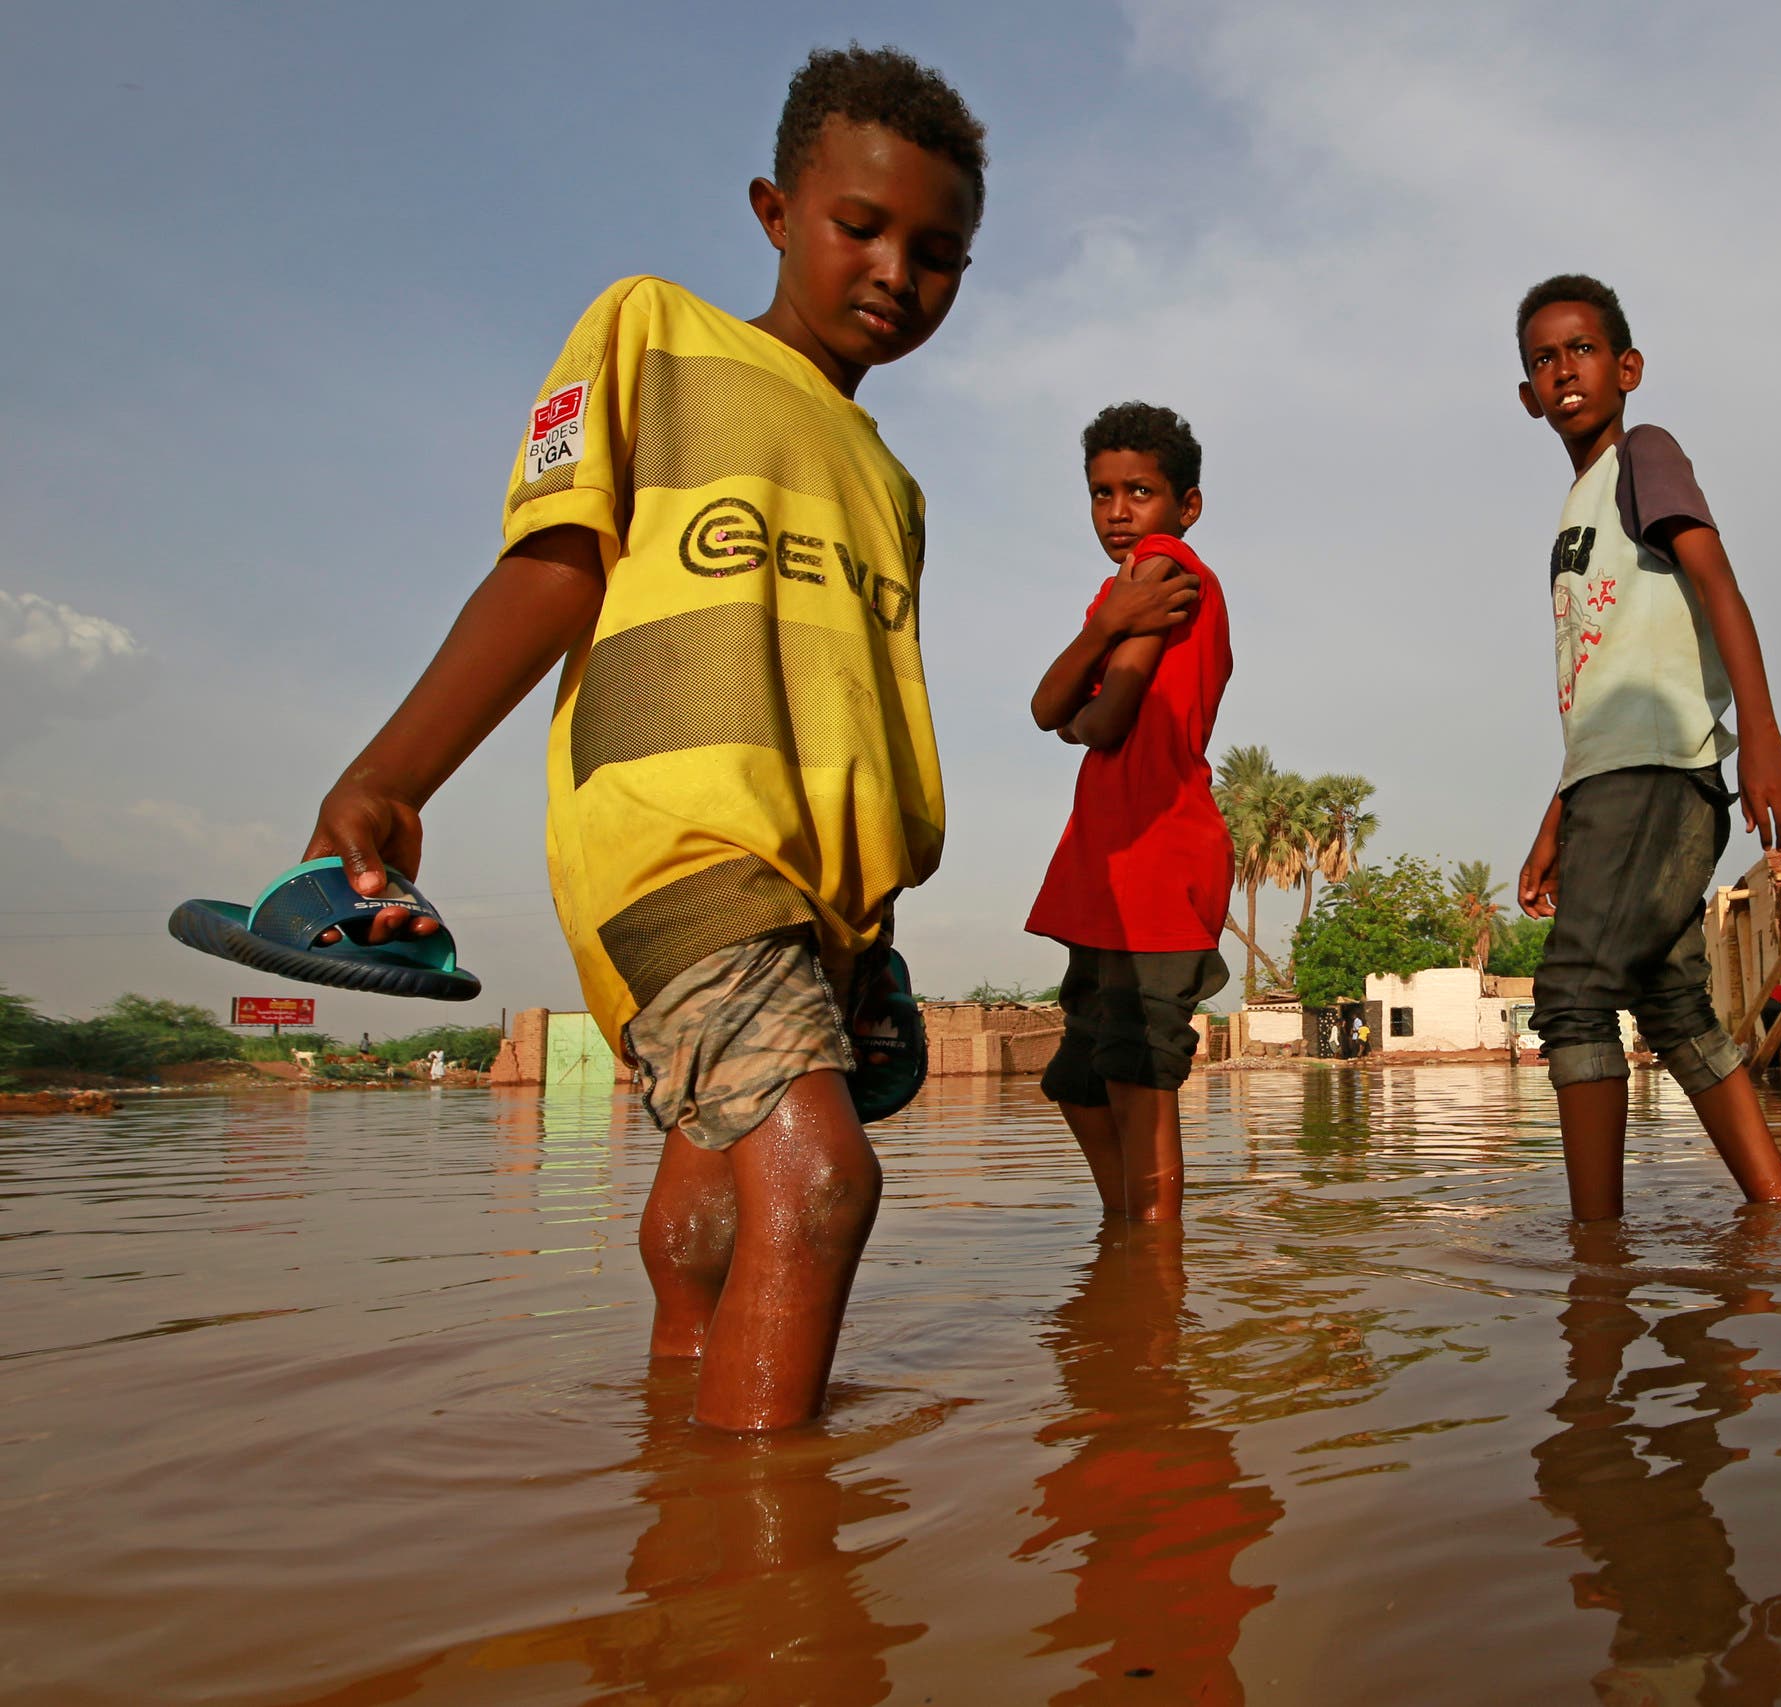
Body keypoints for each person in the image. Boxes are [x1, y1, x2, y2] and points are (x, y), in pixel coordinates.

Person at [294, 43, 988, 1428]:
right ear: (774, 210)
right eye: (862, 226)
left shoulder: (894, 481)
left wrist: (877, 937)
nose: (897, 273)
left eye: (940, 251)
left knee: (719, 1204)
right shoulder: (652, 333)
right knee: (820, 1178)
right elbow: (554, 564)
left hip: (827, 899)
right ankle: (758, 1594)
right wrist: (388, 773)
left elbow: (863, 710)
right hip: (672, 843)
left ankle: (673, 1464)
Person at [1510, 274, 1781, 1219]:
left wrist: (1760, 734)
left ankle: (1596, 1260)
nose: (1563, 370)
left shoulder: (1646, 454)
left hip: (1659, 774)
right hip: (1612, 781)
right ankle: (1776, 1209)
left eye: (1582, 350)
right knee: (1672, 1003)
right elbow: (1600, 682)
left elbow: (1718, 584)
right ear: (1527, 394)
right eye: (1543, 359)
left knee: (1571, 993)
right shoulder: (1574, 515)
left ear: (1627, 366)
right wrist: (1558, 813)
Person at [1026, 403, 1233, 1221]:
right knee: (1082, 1079)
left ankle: (1151, 1290)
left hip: (1158, 855)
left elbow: (1092, 717)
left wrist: (1085, 700)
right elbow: (1050, 706)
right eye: (1102, 493)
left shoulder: (1163, 565)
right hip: (1109, 861)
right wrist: (1107, 628)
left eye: (1140, 490)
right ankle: (1131, 1255)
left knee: (1139, 1079)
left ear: (1186, 505)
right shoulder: (1120, 596)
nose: (1118, 512)